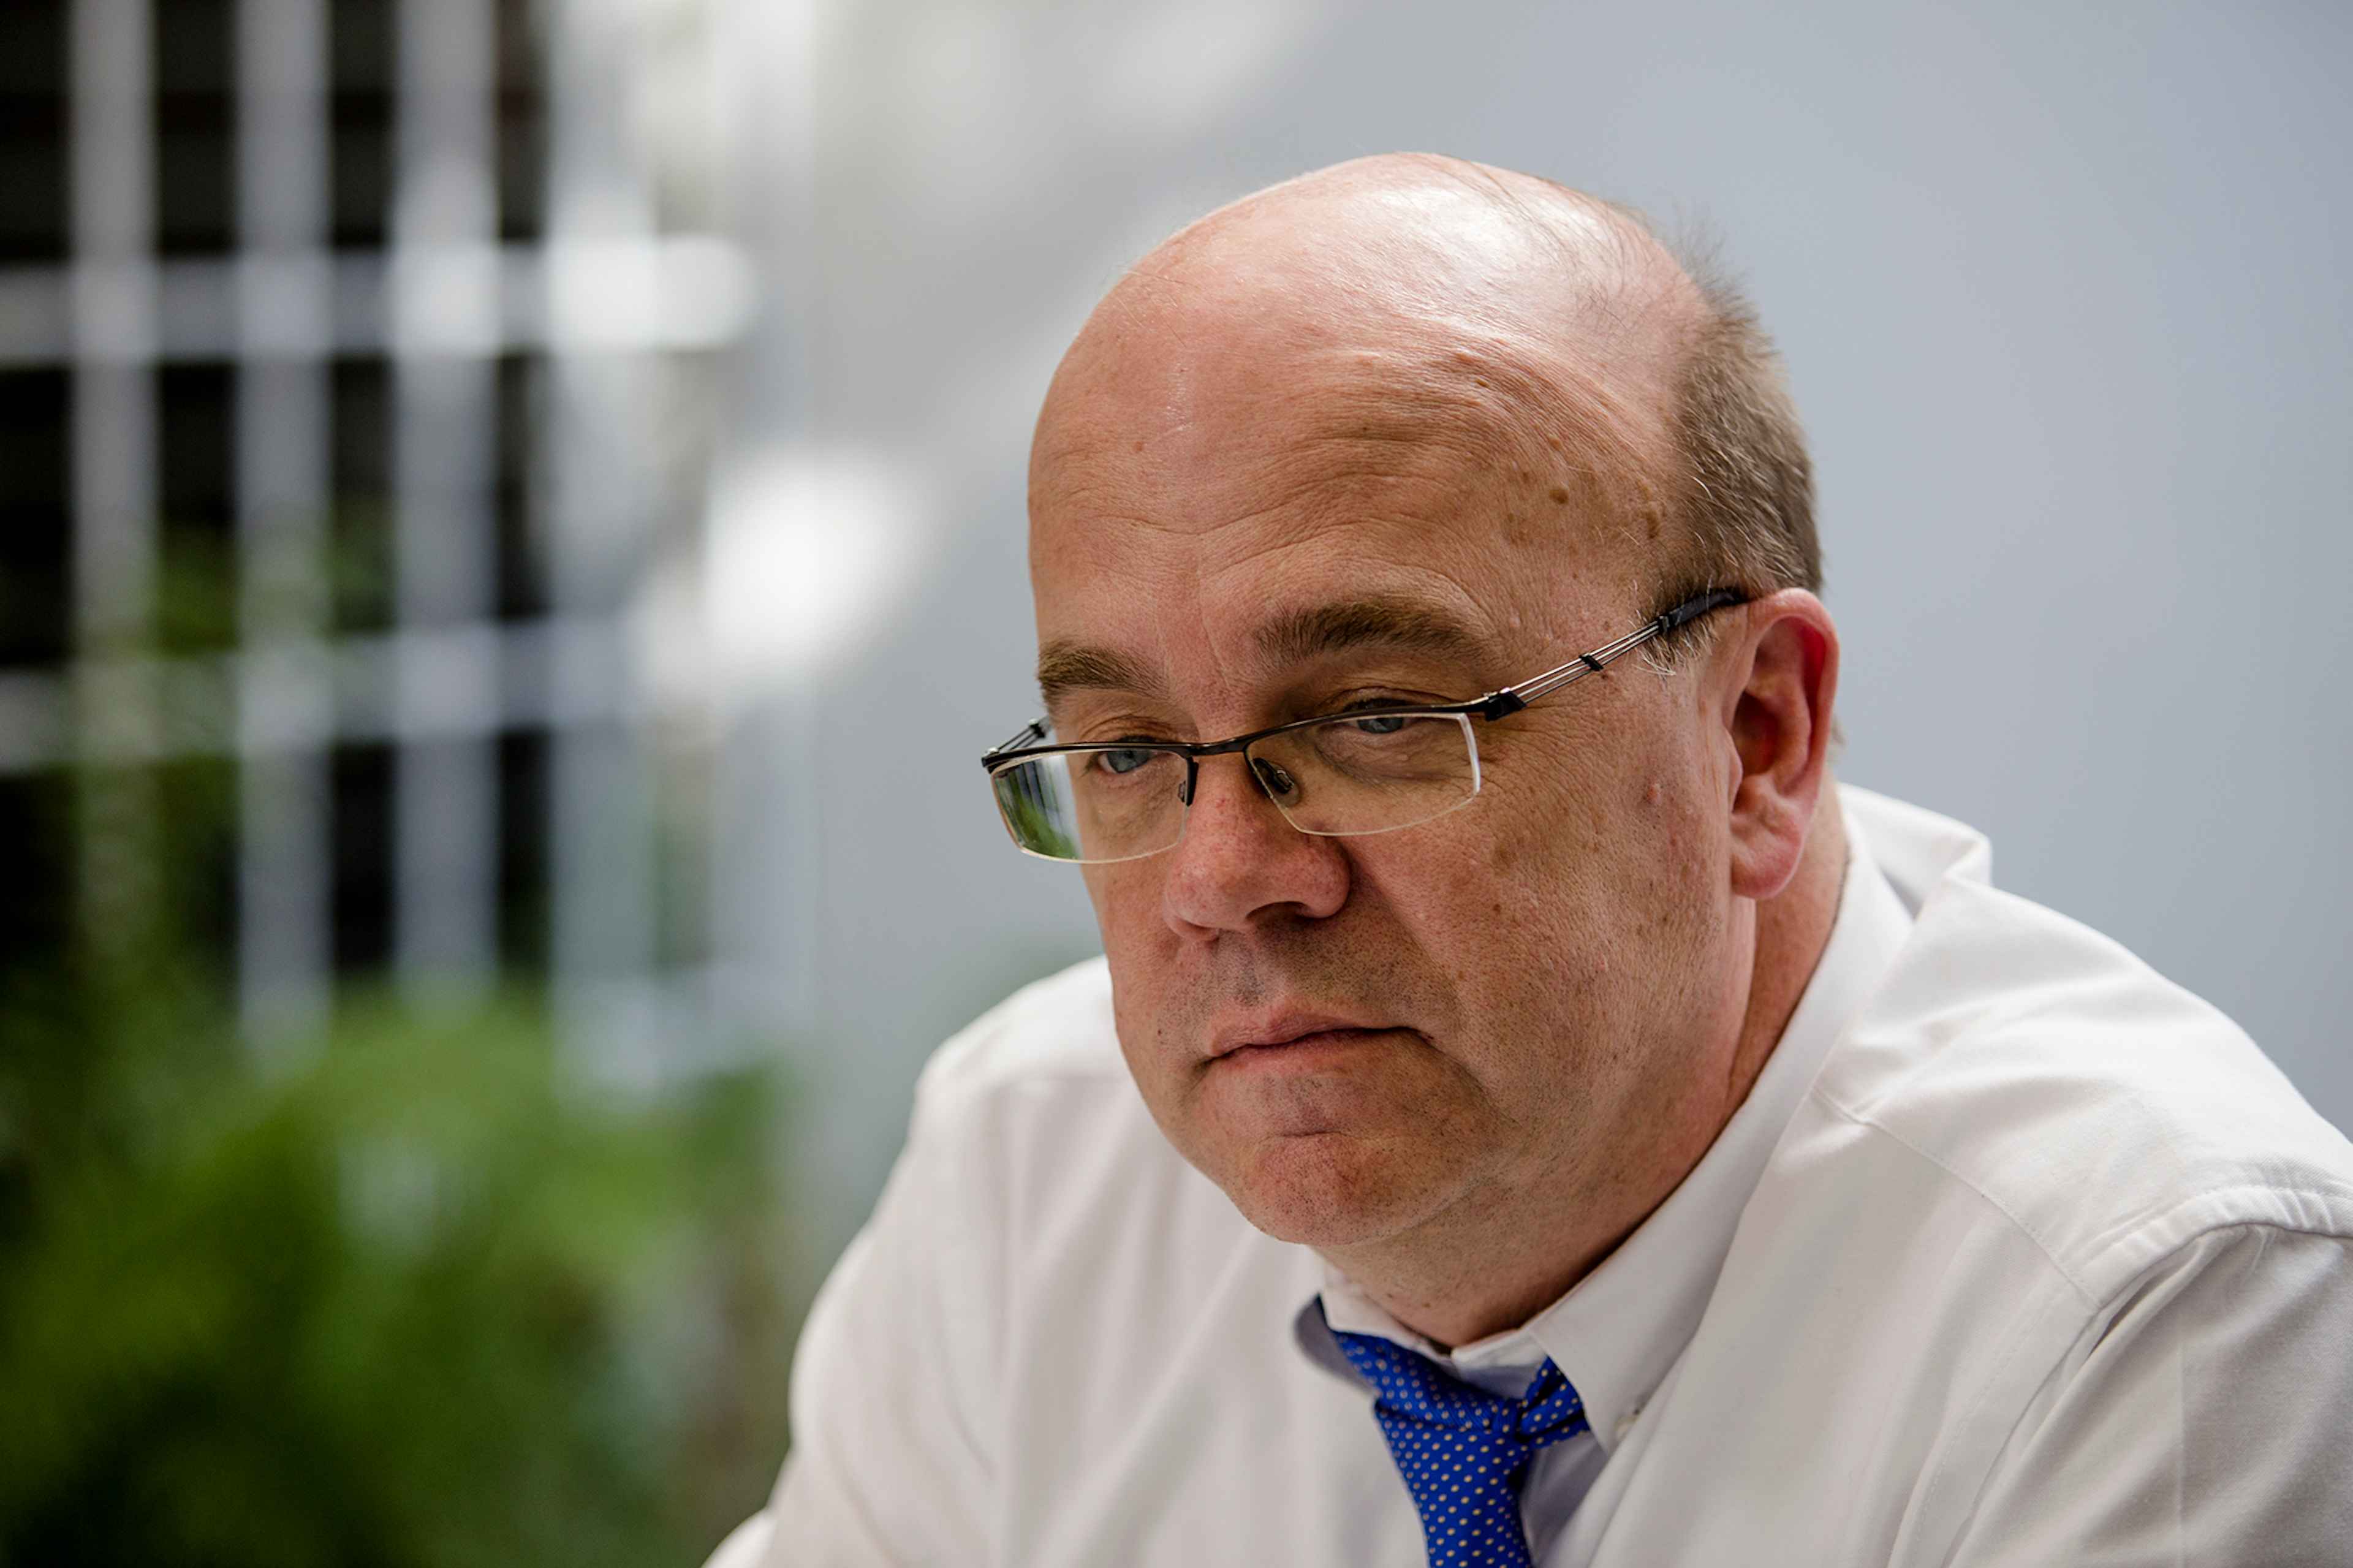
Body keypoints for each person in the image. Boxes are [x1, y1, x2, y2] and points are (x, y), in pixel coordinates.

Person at [710, 154, 2353, 1567]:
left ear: (1758, 740)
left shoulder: (2163, 1302)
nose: (1225, 876)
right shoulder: (1035, 1171)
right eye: (1128, 751)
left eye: (1372, 713)